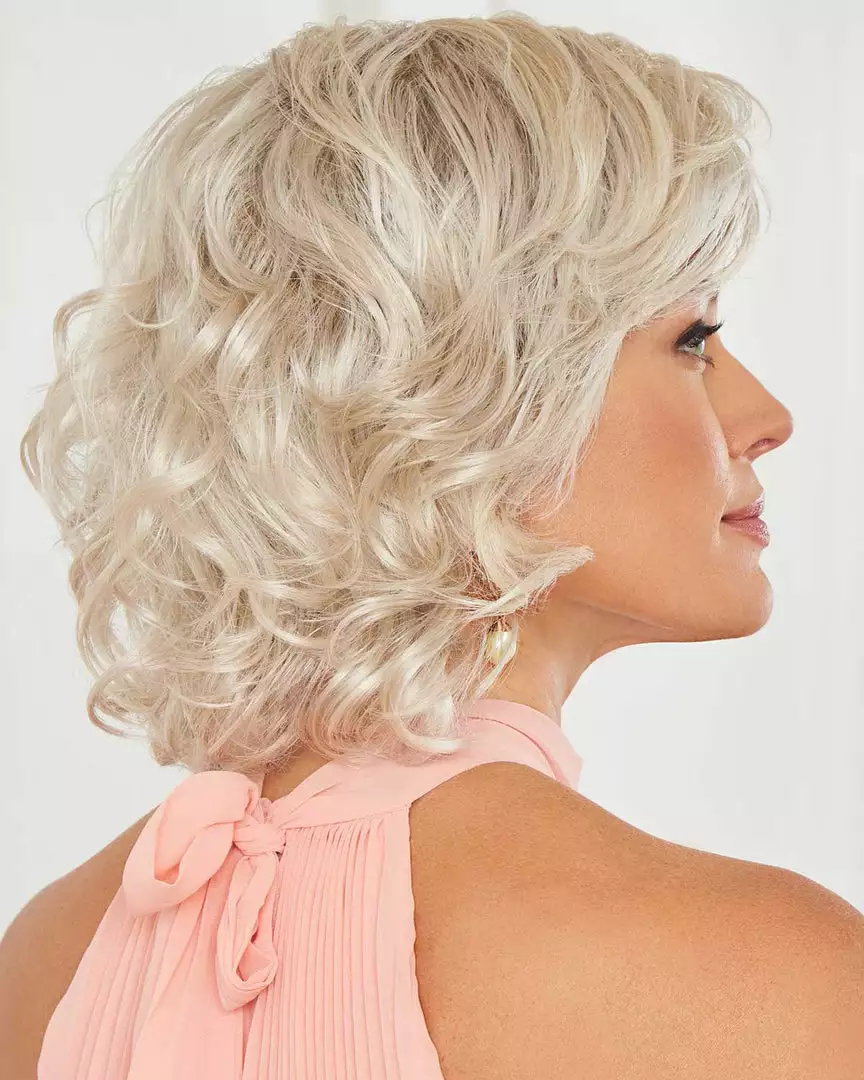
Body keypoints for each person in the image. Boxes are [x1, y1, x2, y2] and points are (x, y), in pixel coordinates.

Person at [3, 11, 862, 1079]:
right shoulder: (772, 978)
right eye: (694, 339)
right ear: (473, 393)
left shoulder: (48, 956)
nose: (767, 415)